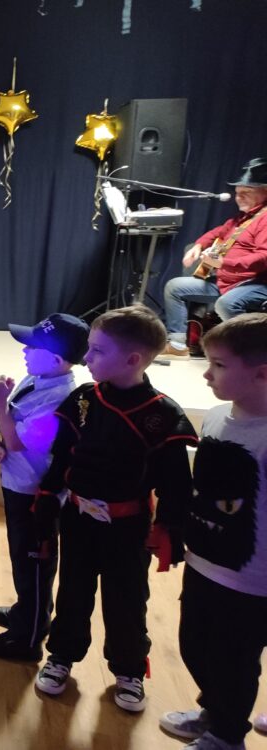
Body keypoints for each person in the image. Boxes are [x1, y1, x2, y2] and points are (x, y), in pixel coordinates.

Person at [33, 305, 197, 713]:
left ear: (133, 359)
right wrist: (46, 500)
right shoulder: (83, 400)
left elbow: (176, 483)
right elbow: (62, 457)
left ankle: (129, 669)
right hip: (78, 519)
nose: (86, 357)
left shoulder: (162, 414)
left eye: (97, 350)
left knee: (126, 599)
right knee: (73, 591)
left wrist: (168, 529)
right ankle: (61, 655)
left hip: (128, 527)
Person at [160, 314, 267, 750]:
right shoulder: (218, 417)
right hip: (204, 559)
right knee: (195, 645)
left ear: (262, 374)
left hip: (250, 580)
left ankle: (227, 735)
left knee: (234, 658)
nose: (206, 373)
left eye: (219, 365)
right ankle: (217, 711)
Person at [0, 313, 90, 660]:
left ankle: (27, 639)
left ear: (57, 360)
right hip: (17, 483)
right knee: (22, 560)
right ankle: (27, 612)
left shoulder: (60, 399)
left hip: (35, 494)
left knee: (34, 565)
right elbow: (10, 432)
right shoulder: (38, 378)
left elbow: (18, 441)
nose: (25, 350)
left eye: (33, 347)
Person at [162, 158, 267, 356]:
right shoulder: (242, 218)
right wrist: (199, 245)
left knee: (227, 304)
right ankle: (177, 344)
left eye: (246, 192)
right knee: (175, 287)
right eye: (237, 193)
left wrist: (223, 263)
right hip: (226, 282)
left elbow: (263, 257)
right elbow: (218, 232)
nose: (239, 198)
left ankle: (249, 351)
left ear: (265, 192)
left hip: (253, 284)